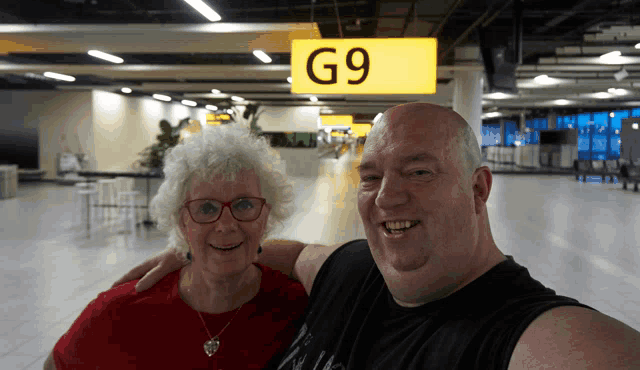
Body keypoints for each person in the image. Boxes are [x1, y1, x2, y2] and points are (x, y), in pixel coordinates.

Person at [114, 103, 640, 369]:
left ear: (478, 187)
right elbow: (294, 253)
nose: (387, 197)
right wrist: (201, 250)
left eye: (419, 172)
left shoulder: (516, 331)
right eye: (371, 177)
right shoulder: (353, 269)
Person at [44, 125, 308, 369]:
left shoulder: (303, 310)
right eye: (206, 208)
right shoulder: (121, 312)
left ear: (266, 215)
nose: (226, 225)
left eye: (244, 205)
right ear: (182, 221)